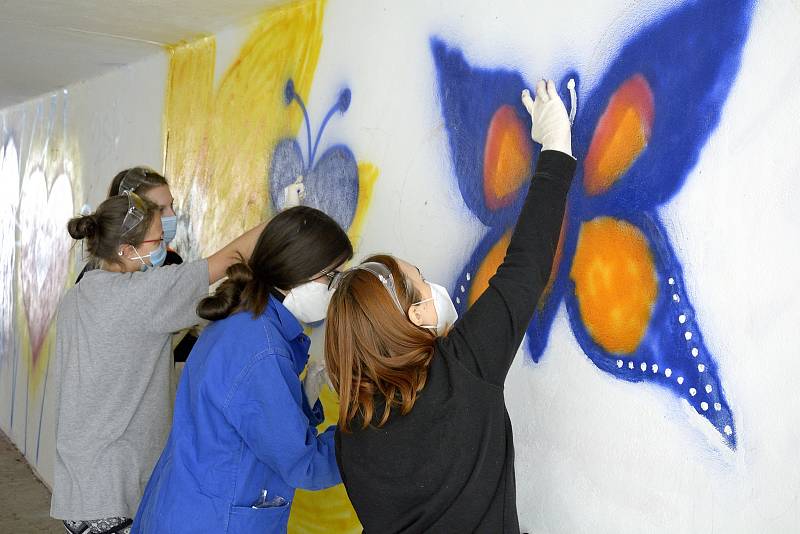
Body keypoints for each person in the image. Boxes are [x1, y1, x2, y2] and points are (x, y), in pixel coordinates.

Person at [323, 80, 576, 533]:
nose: (432, 283)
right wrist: (556, 148)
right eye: (420, 278)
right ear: (416, 315)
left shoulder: (351, 435)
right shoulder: (462, 368)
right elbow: (525, 267)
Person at [52, 189, 267, 534]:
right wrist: (285, 214)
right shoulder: (141, 295)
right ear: (126, 250)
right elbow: (230, 258)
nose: (164, 248)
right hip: (116, 491)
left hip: (82, 487)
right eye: (157, 241)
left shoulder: (80, 294)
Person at [131, 206, 350, 534]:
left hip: (188, 505)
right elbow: (303, 464)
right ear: (296, 271)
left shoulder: (246, 322)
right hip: (212, 521)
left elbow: (251, 422)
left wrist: (302, 399)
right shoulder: (261, 350)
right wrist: (362, 438)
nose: (335, 288)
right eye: (330, 276)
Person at [75, 167, 198, 364]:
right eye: (159, 209)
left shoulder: (170, 262)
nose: (170, 216)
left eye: (171, 206)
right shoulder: (91, 282)